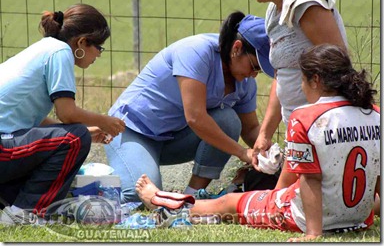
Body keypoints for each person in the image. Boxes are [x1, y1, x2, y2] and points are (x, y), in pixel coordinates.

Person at [136, 44, 380, 242]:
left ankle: (160, 201)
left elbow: (310, 179)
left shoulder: (305, 118)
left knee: (226, 203)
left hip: (309, 217)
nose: (300, 87)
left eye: (301, 80)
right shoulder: (375, 114)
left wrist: (313, 234)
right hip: (358, 216)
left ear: (315, 80)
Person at [105, 11, 275, 203]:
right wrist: (242, 152)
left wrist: (268, 153)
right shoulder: (196, 51)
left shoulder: (245, 82)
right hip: (132, 131)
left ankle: (191, 197)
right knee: (138, 197)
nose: (254, 75)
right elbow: (195, 118)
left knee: (228, 120)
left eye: (260, 71)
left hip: (173, 139)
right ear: (237, 48)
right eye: (255, 66)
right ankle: (94, 176)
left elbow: (251, 129)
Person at [0, 3, 126, 224]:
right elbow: (67, 114)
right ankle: (23, 215)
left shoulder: (44, 48)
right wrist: (104, 121)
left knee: (76, 134)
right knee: (74, 138)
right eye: (99, 47)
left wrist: (86, 129)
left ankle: (12, 201)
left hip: (6, 142)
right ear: (82, 42)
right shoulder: (60, 53)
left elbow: (33, 119)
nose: (99, 55)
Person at [249, 0, 348, 168]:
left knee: (298, 190)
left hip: (321, 131)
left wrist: (314, 126)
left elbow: (339, 68)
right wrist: (265, 134)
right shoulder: (274, 10)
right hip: (299, 131)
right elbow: (281, 73)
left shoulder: (306, 6)